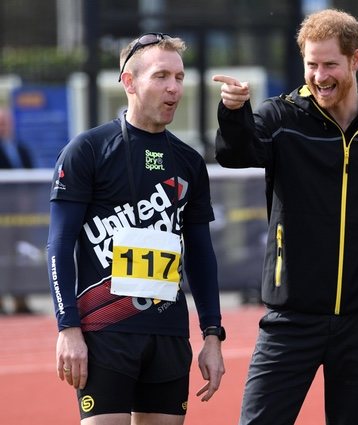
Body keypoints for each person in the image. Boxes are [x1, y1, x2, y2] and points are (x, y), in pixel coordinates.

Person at [212, 9, 358, 425]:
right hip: (291, 315)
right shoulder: (281, 116)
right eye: (312, 64)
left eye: (330, 65)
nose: (320, 75)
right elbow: (236, 154)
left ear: (355, 60)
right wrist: (234, 113)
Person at [46, 33, 225, 424]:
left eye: (178, 77)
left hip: (169, 334)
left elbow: (200, 254)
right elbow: (59, 245)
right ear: (129, 82)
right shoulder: (88, 150)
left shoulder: (189, 161)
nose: (174, 88)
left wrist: (212, 334)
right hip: (105, 333)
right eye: (161, 76)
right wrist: (68, 327)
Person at [0, 106, 35, 315]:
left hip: (22, 218)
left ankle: (21, 301)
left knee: (20, 258)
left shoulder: (21, 148)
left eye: (5, 122)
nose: (3, 127)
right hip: (2, 216)